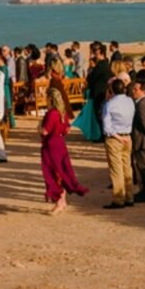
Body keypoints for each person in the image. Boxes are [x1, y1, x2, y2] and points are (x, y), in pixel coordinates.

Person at [40, 69, 87, 215]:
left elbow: (45, 132)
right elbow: (67, 130)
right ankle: (63, 201)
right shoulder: (62, 113)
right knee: (62, 171)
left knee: (55, 174)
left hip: (51, 145)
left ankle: (59, 202)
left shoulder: (51, 114)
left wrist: (39, 128)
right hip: (60, 143)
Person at [101, 78, 135, 209]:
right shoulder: (130, 101)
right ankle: (129, 196)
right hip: (127, 136)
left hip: (115, 138)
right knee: (127, 167)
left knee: (116, 169)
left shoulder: (109, 105)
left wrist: (118, 138)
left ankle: (119, 198)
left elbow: (107, 127)